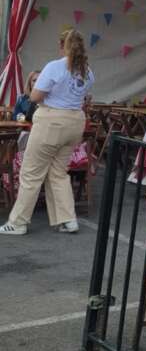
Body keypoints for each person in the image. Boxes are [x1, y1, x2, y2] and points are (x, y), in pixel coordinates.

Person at [1, 30, 93, 236]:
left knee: (31, 173)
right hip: (75, 122)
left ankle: (18, 222)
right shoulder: (87, 70)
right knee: (58, 172)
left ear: (62, 46)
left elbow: (34, 96)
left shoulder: (54, 66)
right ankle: (67, 220)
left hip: (52, 121)